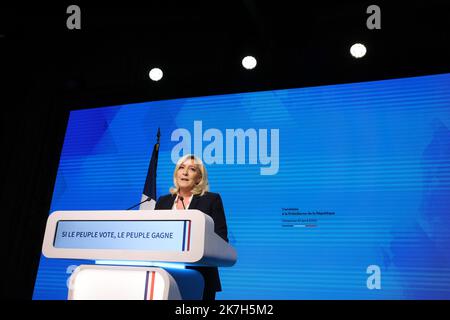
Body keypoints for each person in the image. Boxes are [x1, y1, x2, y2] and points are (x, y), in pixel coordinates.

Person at [155, 154, 229, 300]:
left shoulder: (211, 200)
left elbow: (221, 238)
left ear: (199, 177)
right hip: (165, 274)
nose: (185, 172)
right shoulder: (163, 202)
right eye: (181, 168)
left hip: (201, 276)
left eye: (192, 169)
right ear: (176, 173)